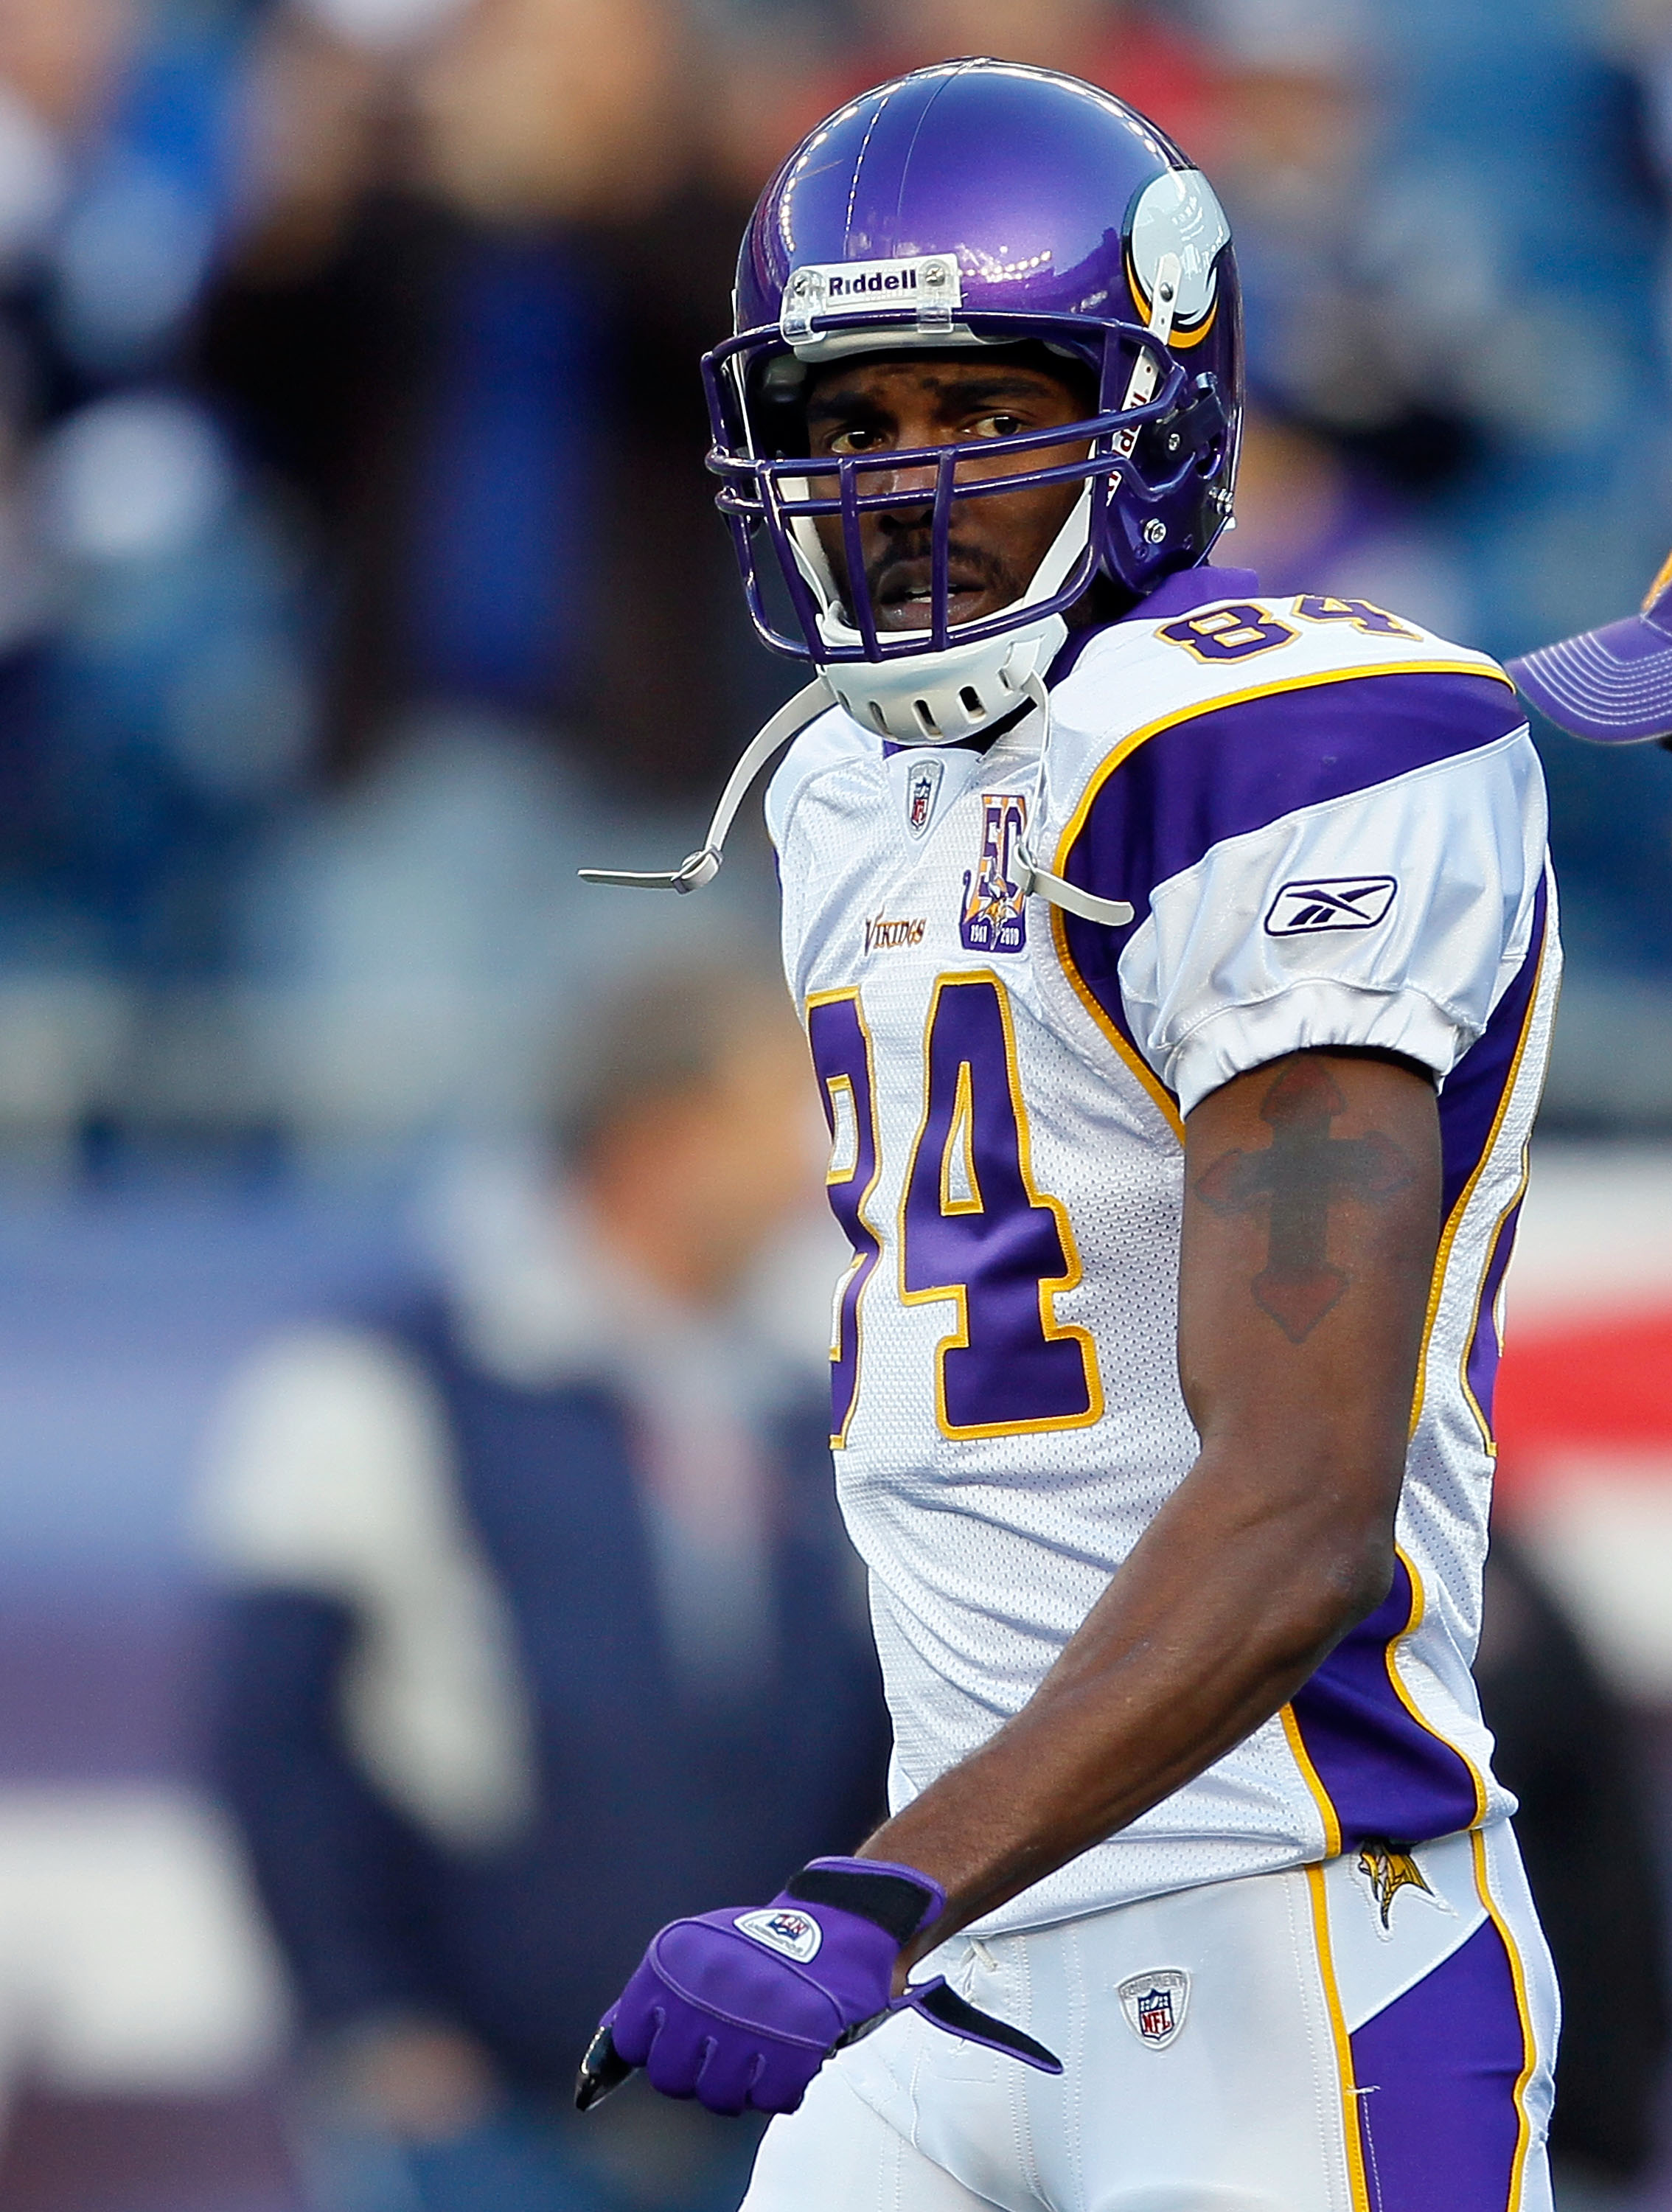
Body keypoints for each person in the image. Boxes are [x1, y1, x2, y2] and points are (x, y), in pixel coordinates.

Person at [579, 60, 1563, 2212]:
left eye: (978, 407)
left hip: (1282, 1937)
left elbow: (1301, 1507)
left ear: (1150, 405)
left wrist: (865, 1895)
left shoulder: (1290, 748)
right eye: (850, 425)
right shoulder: (844, 781)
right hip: (956, 1952)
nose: (908, 482)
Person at [199, 963, 891, 2212]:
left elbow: (865, 1731)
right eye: (782, 1109)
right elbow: (277, 1733)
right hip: (491, 2111)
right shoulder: (377, 1378)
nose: (819, 1157)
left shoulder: (815, 1392)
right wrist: (370, 2020)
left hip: (766, 2103)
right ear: (660, 1139)